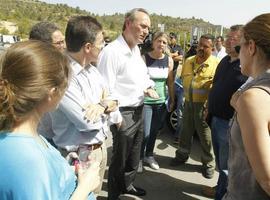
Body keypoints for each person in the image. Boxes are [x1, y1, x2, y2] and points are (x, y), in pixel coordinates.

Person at [0, 40, 100, 200]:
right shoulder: (29, 161)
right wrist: (85, 187)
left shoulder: (18, 136)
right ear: (52, 93)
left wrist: (67, 174)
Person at [47, 16, 119, 196]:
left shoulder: (92, 71)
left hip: (98, 150)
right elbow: (87, 122)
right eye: (101, 42)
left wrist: (101, 105)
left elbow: (113, 98)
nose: (103, 47)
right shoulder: (64, 76)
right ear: (88, 47)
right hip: (78, 157)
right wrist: (106, 107)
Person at [97, 8, 159, 200]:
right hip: (122, 113)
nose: (146, 31)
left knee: (133, 157)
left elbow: (142, 76)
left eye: (148, 28)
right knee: (120, 159)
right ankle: (114, 195)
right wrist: (117, 120)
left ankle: (127, 186)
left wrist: (148, 86)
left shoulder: (135, 51)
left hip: (139, 109)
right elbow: (104, 90)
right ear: (128, 23)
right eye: (142, 25)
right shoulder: (112, 52)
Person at [222, 13, 270, 200]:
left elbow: (267, 180)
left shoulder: (254, 97)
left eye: (238, 45)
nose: (237, 51)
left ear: (251, 47)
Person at [204, 25, 247, 200]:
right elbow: (215, 86)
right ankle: (220, 187)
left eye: (234, 38)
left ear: (243, 42)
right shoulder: (223, 61)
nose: (229, 41)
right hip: (215, 118)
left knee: (227, 165)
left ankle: (221, 194)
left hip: (229, 123)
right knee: (222, 163)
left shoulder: (245, 65)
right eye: (228, 37)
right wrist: (208, 107)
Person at [170, 34, 219, 179]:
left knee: (205, 137)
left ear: (213, 48)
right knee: (185, 132)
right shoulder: (189, 60)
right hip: (188, 103)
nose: (201, 48)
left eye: (206, 46)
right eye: (200, 45)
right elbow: (183, 79)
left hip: (203, 106)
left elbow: (216, 87)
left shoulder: (216, 64)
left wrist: (208, 106)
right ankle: (181, 156)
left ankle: (208, 164)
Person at [138, 31, 174, 172]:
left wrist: (172, 99)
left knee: (154, 132)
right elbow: (139, 80)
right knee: (145, 133)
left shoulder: (169, 60)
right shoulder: (144, 58)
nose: (161, 44)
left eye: (164, 42)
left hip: (161, 103)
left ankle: (149, 155)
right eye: (159, 41)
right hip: (146, 102)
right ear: (153, 42)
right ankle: (139, 158)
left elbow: (170, 83)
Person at [29, 21, 66, 146]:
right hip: (41, 137)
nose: (63, 46)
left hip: (59, 137)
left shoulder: (61, 65)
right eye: (59, 43)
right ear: (42, 46)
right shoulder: (32, 72)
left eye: (63, 41)